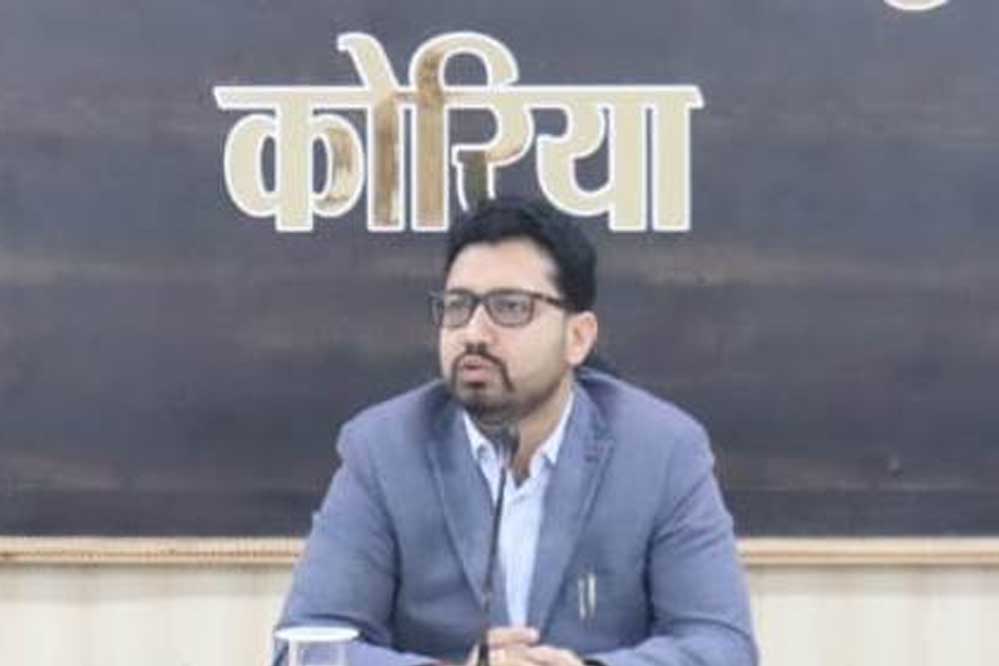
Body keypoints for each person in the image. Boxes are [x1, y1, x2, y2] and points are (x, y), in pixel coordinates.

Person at [275, 197, 757, 666]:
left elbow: (723, 648)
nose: (473, 333)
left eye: (509, 307)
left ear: (578, 338)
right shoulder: (383, 449)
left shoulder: (663, 451)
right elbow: (305, 649)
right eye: (458, 306)